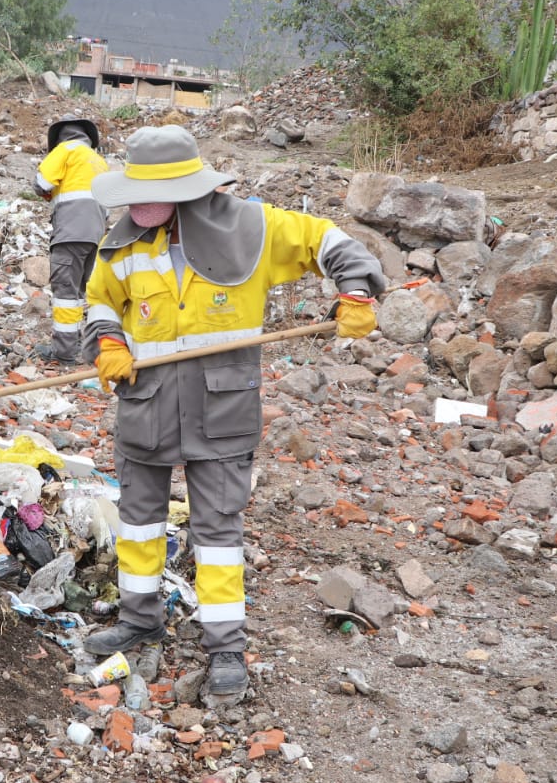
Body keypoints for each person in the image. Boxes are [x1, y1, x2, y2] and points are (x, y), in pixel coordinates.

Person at [80, 125, 386, 700]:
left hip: (221, 411)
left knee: (218, 531)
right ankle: (139, 620)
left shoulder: (253, 229)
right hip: (144, 408)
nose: (133, 203)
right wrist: (109, 343)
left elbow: (331, 243)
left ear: (186, 189)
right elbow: (98, 300)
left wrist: (356, 293)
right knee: (140, 522)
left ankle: (225, 646)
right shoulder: (121, 246)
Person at [33, 118, 108, 365]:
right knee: (81, 293)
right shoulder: (98, 161)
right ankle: (89, 349)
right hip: (96, 235)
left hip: (70, 233)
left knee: (65, 292)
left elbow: (42, 183)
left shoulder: (65, 150)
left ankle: (64, 353)